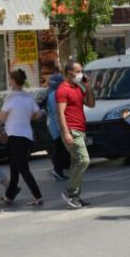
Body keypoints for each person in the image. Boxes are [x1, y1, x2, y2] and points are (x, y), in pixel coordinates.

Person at [0, 69, 44, 206]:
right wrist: (26, 117)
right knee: (14, 166)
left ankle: (38, 196)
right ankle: (9, 196)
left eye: (10, 79)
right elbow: (38, 114)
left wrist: (7, 119)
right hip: (26, 135)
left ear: (13, 81)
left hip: (15, 136)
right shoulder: (28, 96)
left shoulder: (11, 97)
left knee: (23, 169)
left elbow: (1, 117)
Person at [57, 61, 95, 209]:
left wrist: (88, 87)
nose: (81, 74)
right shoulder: (63, 90)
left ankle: (75, 197)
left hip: (81, 130)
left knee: (76, 164)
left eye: (81, 71)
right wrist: (66, 133)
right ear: (69, 72)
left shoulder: (77, 88)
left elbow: (91, 104)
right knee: (84, 160)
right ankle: (69, 192)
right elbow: (60, 113)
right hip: (72, 131)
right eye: (78, 71)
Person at [46, 74, 70, 181]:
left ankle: (59, 170)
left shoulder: (51, 93)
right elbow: (57, 113)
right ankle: (57, 170)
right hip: (57, 126)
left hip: (55, 126)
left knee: (60, 148)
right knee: (60, 148)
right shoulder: (54, 95)